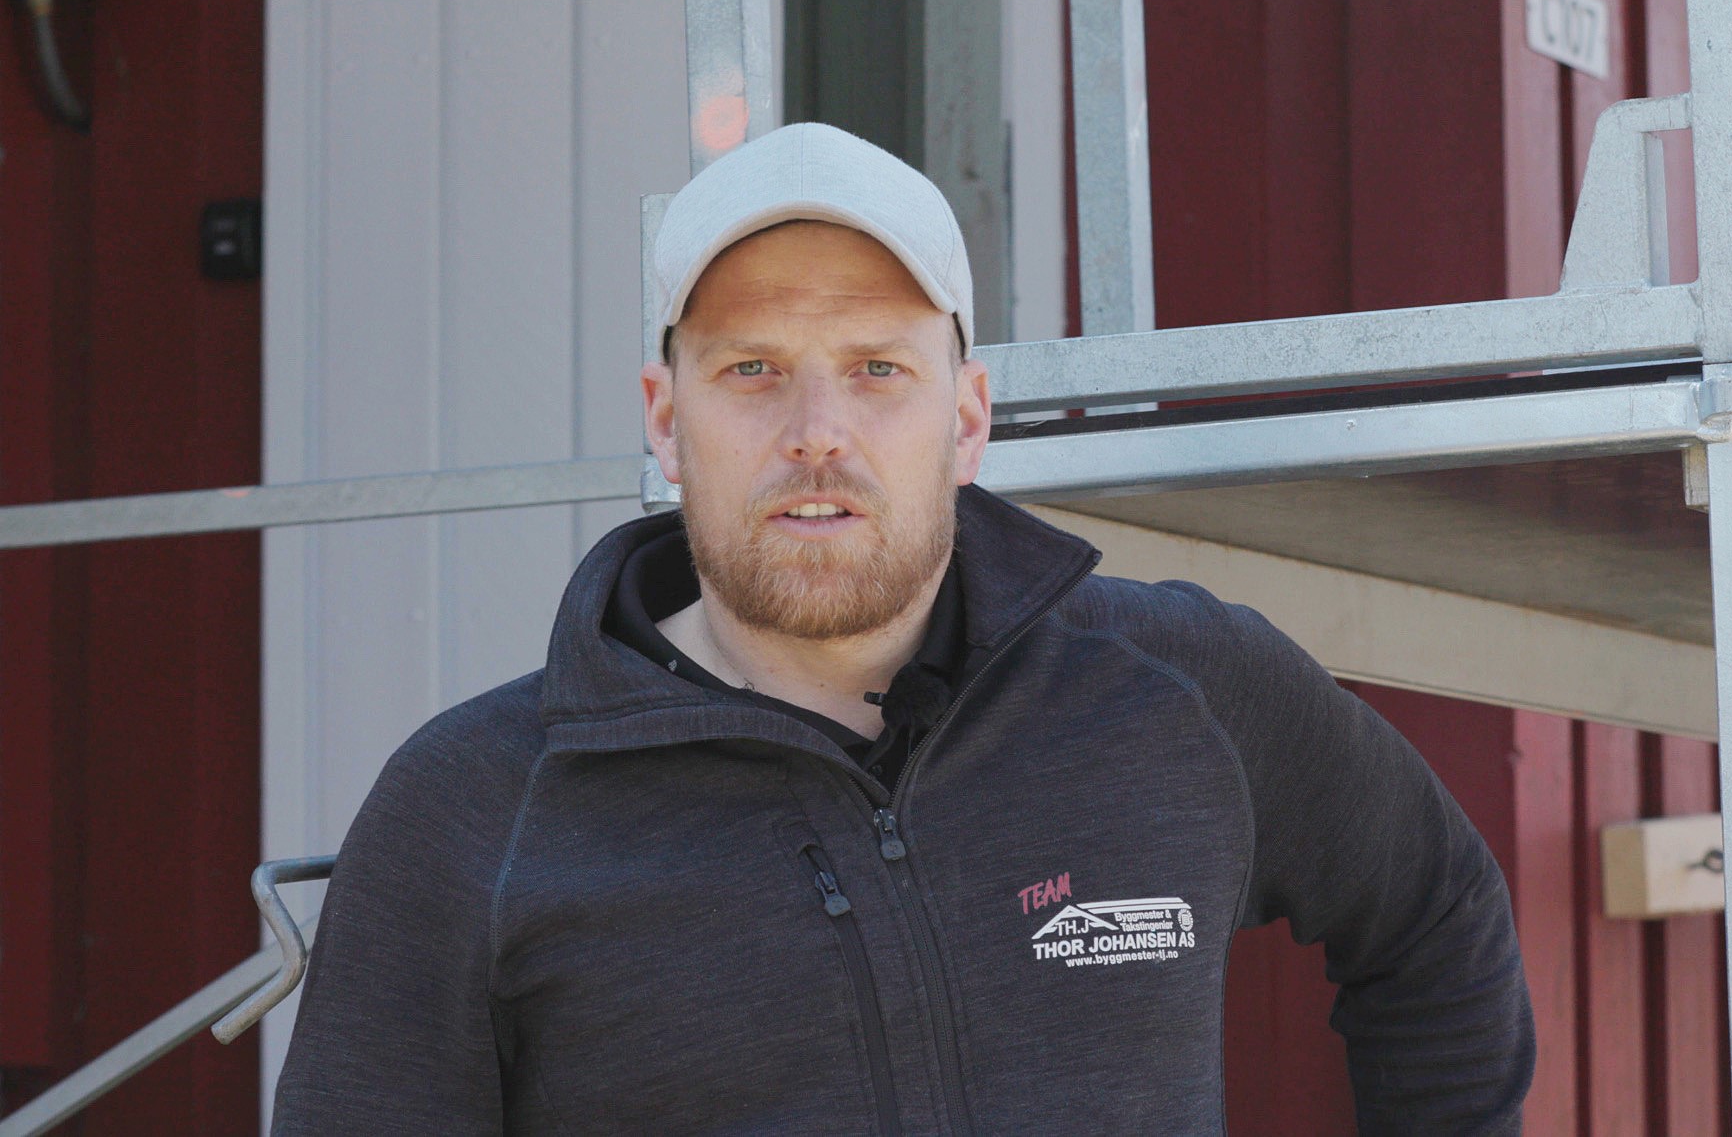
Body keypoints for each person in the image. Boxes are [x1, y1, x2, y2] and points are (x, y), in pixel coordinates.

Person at [273, 122, 1533, 1135]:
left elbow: (1432, 910)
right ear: (663, 418)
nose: (816, 428)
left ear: (968, 414)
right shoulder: (476, 808)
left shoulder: (1172, 688)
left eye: (877, 368)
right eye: (752, 369)